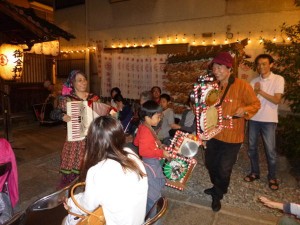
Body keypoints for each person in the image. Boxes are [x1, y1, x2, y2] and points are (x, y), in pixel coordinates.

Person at [63, 116, 148, 225]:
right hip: (139, 221)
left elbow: (86, 206)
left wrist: (70, 202)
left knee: (67, 221)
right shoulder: (132, 155)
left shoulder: (98, 171)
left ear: (93, 141)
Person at [204, 52, 260, 212]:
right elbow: (205, 107)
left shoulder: (242, 86)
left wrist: (245, 110)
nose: (216, 70)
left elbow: (255, 104)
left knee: (224, 167)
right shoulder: (212, 86)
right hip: (213, 132)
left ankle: (218, 193)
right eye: (214, 66)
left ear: (229, 68)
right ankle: (218, 185)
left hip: (233, 135)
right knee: (210, 163)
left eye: (220, 66)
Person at [50, 70, 101, 187]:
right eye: (79, 80)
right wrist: (62, 116)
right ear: (72, 83)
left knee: (92, 170)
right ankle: (69, 193)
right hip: (75, 140)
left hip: (92, 138)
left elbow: (102, 113)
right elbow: (53, 114)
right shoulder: (67, 99)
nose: (83, 83)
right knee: (71, 172)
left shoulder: (94, 98)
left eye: (84, 80)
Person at [244, 54, 285, 191]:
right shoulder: (253, 81)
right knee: (251, 148)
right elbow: (250, 101)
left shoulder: (278, 79)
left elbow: (277, 100)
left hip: (269, 120)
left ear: (271, 64)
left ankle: (272, 177)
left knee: (270, 151)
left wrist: (259, 90)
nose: (261, 66)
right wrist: (255, 92)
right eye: (259, 64)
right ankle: (255, 172)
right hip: (254, 119)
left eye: (264, 63)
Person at [133, 100, 169, 214]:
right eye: (158, 117)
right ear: (148, 117)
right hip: (151, 164)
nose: (159, 119)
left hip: (150, 162)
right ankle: (151, 216)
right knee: (153, 191)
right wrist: (160, 153)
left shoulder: (144, 126)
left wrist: (156, 146)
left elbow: (136, 142)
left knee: (153, 187)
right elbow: (143, 151)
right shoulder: (146, 130)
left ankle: (150, 210)